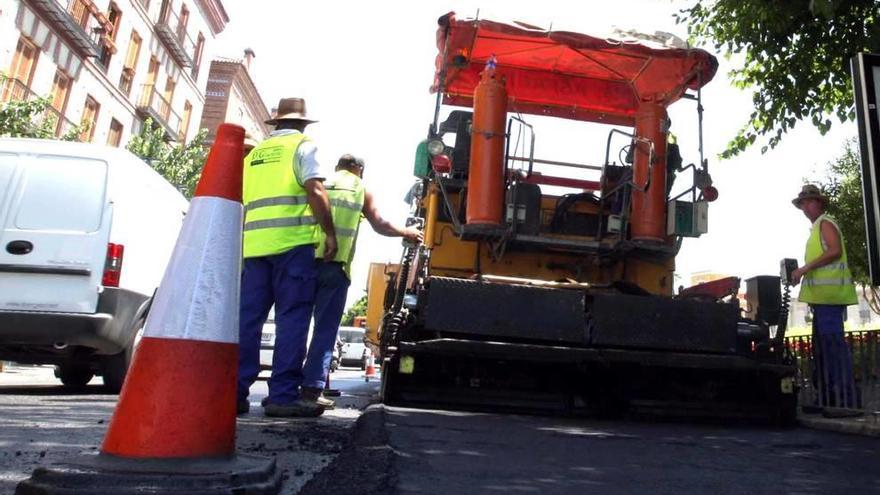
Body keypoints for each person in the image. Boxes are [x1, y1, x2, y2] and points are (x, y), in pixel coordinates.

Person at [237, 97, 337, 418]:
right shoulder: (304, 146)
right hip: (292, 248)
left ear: (276, 123)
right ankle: (281, 395)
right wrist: (329, 234)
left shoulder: (254, 156)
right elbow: (316, 191)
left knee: (247, 321)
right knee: (291, 319)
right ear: (303, 124)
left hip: (253, 249)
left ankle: (235, 393)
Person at [298, 155, 422, 409]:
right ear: (360, 170)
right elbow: (380, 224)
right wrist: (406, 232)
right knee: (324, 329)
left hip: (301, 262)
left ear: (337, 167)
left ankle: (285, 388)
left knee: (295, 324)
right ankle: (311, 390)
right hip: (335, 266)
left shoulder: (317, 181)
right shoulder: (360, 189)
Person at [789, 184, 859, 409]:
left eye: (810, 202)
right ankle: (830, 398)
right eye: (803, 204)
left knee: (834, 349)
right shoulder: (816, 229)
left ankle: (845, 400)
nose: (805, 207)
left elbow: (835, 250)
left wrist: (803, 269)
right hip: (822, 302)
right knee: (824, 351)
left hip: (830, 300)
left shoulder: (825, 224)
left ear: (819, 203)